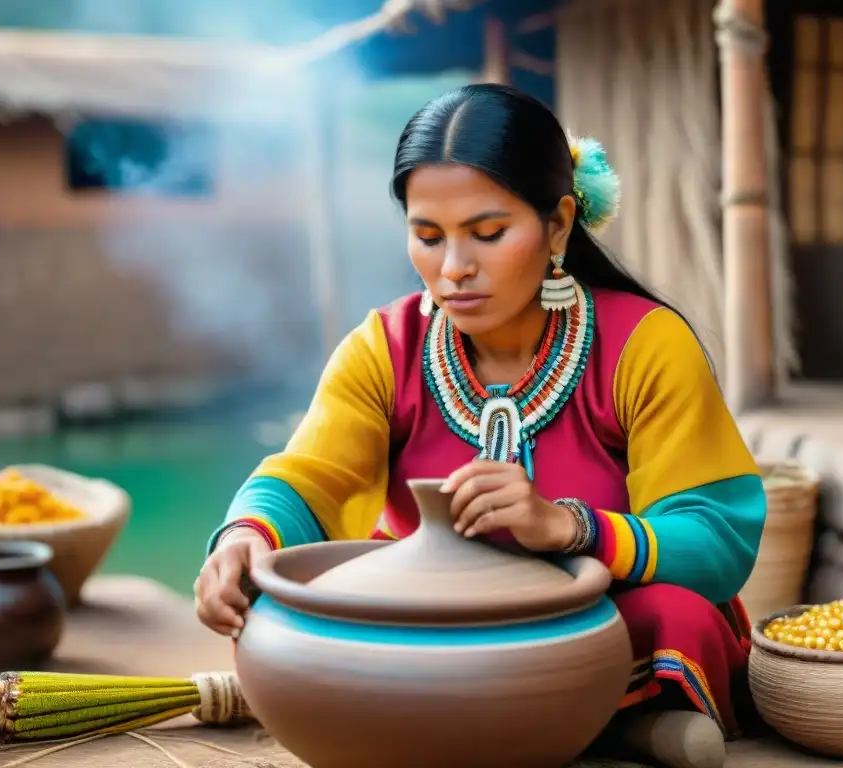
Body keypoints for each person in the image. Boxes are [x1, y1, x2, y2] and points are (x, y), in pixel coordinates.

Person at [195, 83, 767, 768]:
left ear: (557, 225)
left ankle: (537, 726)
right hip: (430, 626)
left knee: (679, 616)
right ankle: (604, 733)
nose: (454, 268)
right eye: (427, 236)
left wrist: (570, 527)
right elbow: (308, 478)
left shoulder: (644, 344)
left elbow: (717, 537)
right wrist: (243, 538)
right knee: (271, 609)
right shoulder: (385, 347)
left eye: (489, 234)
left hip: (591, 623)